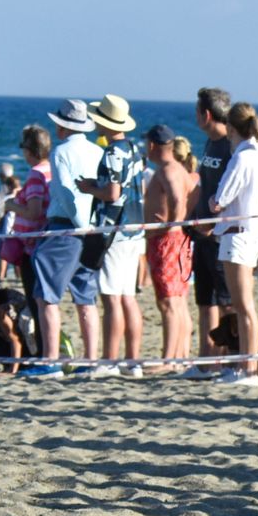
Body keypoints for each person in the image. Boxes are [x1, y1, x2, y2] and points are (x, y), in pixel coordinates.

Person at [22, 99, 103, 378]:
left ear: (63, 126)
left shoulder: (61, 152)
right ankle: (91, 360)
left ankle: (51, 360)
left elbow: (66, 192)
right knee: (86, 296)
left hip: (68, 226)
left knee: (46, 296)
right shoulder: (96, 151)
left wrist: (79, 225)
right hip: (93, 227)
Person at [209, 102, 258, 387]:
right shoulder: (257, 154)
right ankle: (244, 364)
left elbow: (221, 198)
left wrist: (214, 203)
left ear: (230, 127)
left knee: (243, 305)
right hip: (250, 232)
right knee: (243, 305)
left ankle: (248, 367)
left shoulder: (242, 157)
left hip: (239, 234)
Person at [81, 94, 145, 377]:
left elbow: (112, 193)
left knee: (111, 297)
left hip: (115, 229)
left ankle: (110, 360)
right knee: (127, 296)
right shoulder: (133, 148)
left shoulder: (112, 152)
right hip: (134, 226)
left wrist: (88, 188)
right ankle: (132, 360)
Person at [186, 88, 236, 378]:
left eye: (197, 111)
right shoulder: (209, 143)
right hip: (201, 234)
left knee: (228, 303)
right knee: (206, 301)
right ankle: (206, 362)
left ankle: (232, 362)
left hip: (221, 235)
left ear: (206, 114)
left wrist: (213, 223)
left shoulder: (231, 145)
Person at [142, 124, 194, 367]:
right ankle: (180, 354)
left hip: (167, 241)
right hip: (175, 239)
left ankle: (169, 358)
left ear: (152, 145)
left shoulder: (168, 170)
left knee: (169, 301)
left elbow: (176, 198)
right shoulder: (178, 169)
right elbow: (194, 193)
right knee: (178, 299)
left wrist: (171, 224)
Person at [1, 124, 52, 319]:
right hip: (46, 242)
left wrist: (11, 206)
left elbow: (34, 212)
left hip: (32, 246)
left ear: (29, 150)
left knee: (35, 301)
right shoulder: (51, 169)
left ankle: (40, 347)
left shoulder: (36, 175)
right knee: (43, 301)